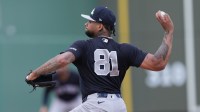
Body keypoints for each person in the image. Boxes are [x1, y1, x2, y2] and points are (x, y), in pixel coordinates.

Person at [26, 6, 174, 112]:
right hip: (118, 105)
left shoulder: (83, 46)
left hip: (96, 105)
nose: (86, 23)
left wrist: (34, 74)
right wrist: (168, 32)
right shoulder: (125, 49)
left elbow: (62, 60)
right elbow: (158, 63)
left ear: (100, 26)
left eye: (90, 21)